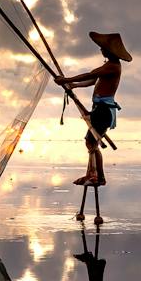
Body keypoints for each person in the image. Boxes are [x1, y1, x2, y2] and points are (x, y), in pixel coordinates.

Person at [55, 31, 130, 204]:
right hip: (99, 109)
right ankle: (95, 175)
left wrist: (65, 79)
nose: (100, 50)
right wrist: (72, 85)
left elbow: (89, 74)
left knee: (91, 142)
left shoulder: (112, 66)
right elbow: (92, 80)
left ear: (109, 51)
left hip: (104, 111)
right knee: (91, 142)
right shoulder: (108, 66)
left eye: (102, 48)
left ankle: (96, 176)